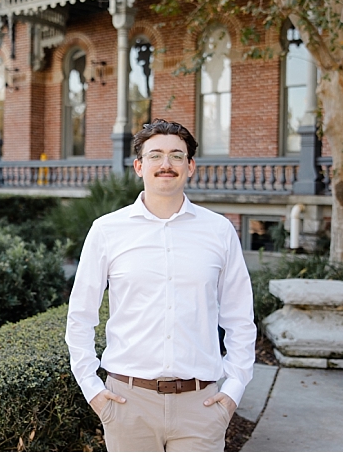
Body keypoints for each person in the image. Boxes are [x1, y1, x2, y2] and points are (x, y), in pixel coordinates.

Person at [65, 119, 256, 452]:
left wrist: (234, 388)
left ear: (190, 166)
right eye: (155, 155)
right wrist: (93, 390)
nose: (166, 164)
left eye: (176, 156)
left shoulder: (219, 231)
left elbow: (240, 317)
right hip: (128, 404)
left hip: (202, 406)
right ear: (139, 166)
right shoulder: (107, 231)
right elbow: (80, 315)